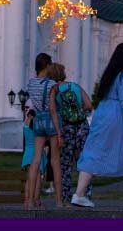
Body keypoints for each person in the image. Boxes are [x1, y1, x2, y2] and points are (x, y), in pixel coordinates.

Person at [71, 43, 123, 208]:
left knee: (93, 151)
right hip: (117, 116)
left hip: (102, 114)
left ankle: (79, 194)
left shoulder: (110, 75)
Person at [46, 63, 92, 205]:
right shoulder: (75, 86)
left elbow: (53, 111)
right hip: (83, 126)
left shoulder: (54, 90)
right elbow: (89, 104)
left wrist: (58, 132)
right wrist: (78, 109)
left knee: (66, 163)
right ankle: (85, 194)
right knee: (84, 161)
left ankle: (65, 196)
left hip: (67, 128)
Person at [24, 52, 63, 208]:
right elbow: (53, 109)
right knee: (55, 161)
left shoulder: (31, 83)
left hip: (38, 121)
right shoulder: (52, 84)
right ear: (47, 66)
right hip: (51, 122)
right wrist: (59, 132)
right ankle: (59, 201)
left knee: (36, 160)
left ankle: (30, 200)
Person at [21, 108, 48, 207]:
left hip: (28, 154)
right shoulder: (38, 128)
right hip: (37, 153)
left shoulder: (25, 126)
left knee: (29, 179)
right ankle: (36, 200)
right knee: (38, 179)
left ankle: (27, 200)